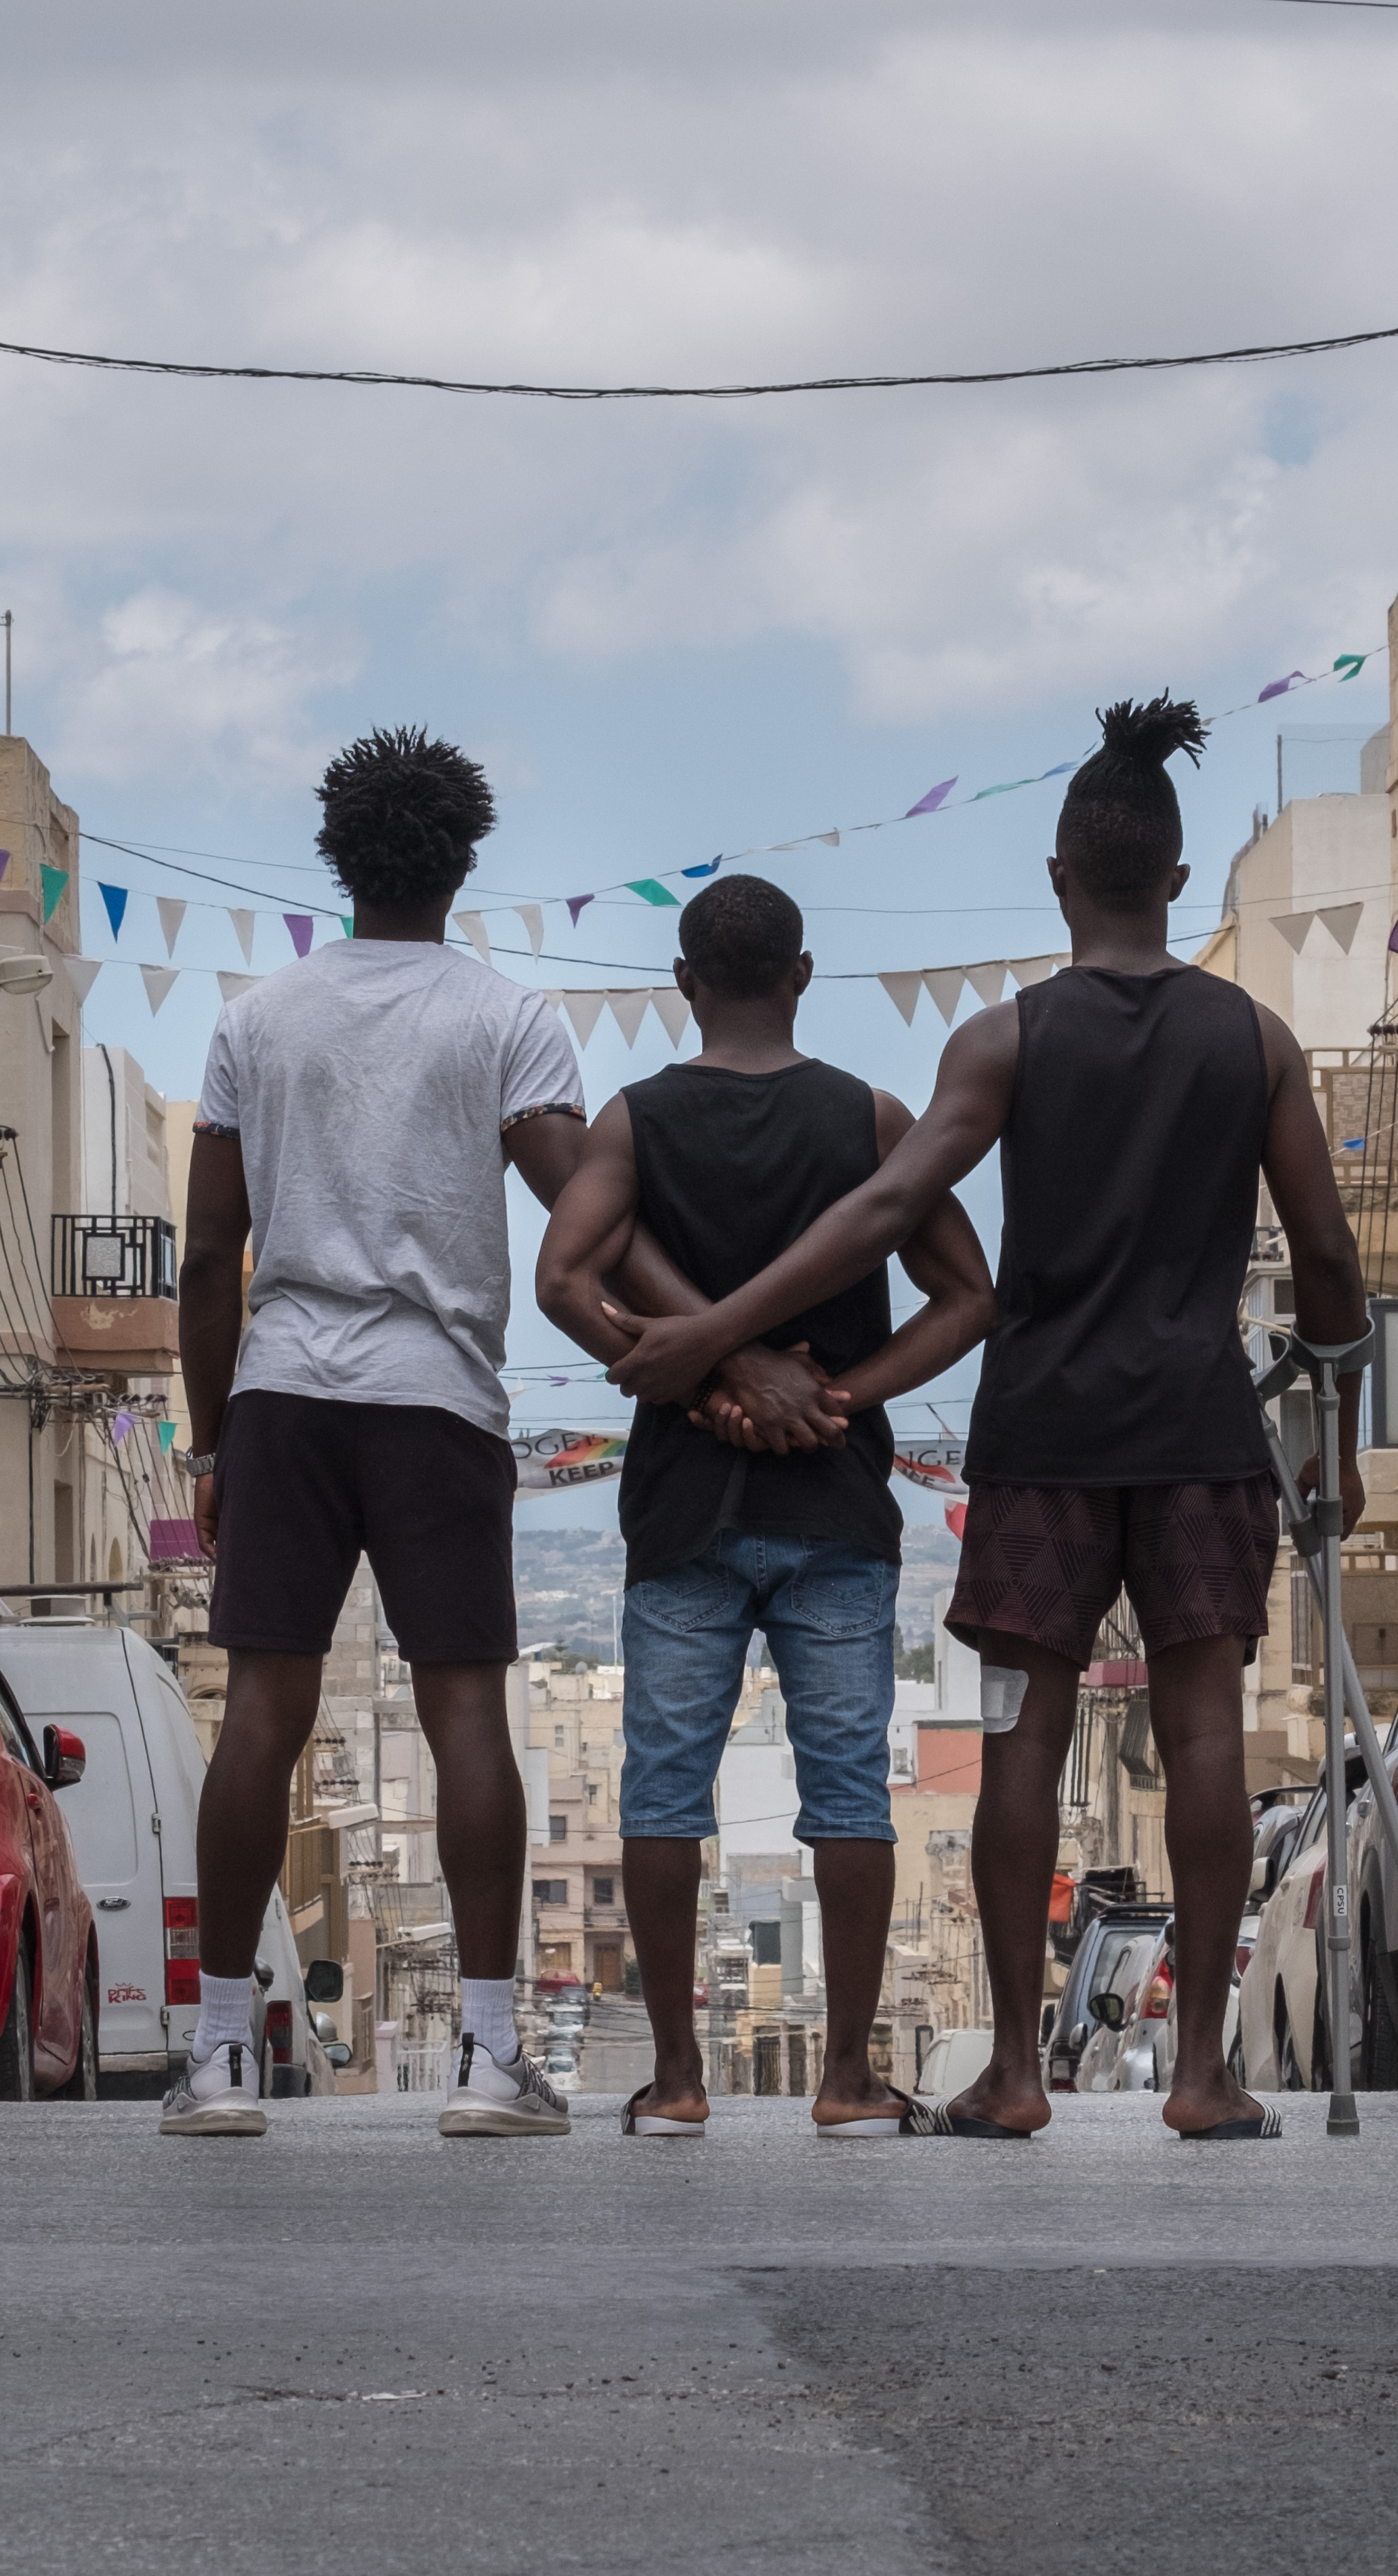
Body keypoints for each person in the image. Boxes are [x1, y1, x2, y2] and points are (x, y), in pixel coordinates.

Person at [605, 697, 1372, 2140]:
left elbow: (891, 1207)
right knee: (1206, 1733)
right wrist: (1333, 1406)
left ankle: (1016, 2072)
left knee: (1021, 1732)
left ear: (1060, 879)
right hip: (1201, 1433)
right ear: (1176, 877)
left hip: (1045, 1442)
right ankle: (1202, 2076)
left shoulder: (1007, 1038)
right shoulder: (1256, 1039)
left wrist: (715, 1332)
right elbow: (1324, 1252)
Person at [166, 730, 834, 2139]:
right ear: (465, 862)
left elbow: (210, 1254)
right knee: (465, 1707)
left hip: (283, 1394)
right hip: (436, 1399)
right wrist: (725, 1347)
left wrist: (214, 1447)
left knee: (262, 1712)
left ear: (335, 856)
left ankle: (218, 2058)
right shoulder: (508, 1019)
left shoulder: (252, 1020)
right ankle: (487, 2057)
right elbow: (589, 1218)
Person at [534, 875, 996, 2138]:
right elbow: (970, 1295)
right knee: (848, 1793)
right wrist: (834, 1398)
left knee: (662, 1793)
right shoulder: (870, 1117)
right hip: (834, 1504)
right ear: (803, 975)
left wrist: (691, 1384)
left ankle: (679, 2080)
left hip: (681, 1506)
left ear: (683, 984)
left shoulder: (634, 1120)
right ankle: (846, 2080)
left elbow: (562, 1279)